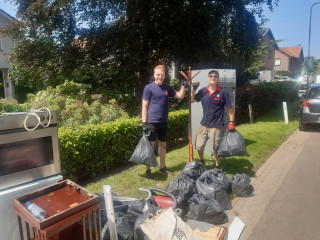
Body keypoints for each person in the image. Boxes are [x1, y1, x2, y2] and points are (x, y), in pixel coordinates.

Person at [142, 65, 187, 179]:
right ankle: (148, 170)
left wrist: (183, 85)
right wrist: (144, 122)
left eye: (162, 75)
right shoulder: (148, 88)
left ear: (164, 75)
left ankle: (162, 167)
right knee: (151, 146)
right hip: (151, 122)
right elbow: (145, 106)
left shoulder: (167, 88)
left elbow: (180, 96)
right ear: (154, 75)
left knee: (163, 145)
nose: (160, 76)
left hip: (163, 121)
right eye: (158, 74)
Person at [191, 70, 235, 169]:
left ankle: (217, 166)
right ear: (208, 78)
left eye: (215, 76)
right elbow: (192, 100)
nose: (213, 78)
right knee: (199, 145)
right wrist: (194, 89)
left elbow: (230, 109)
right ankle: (201, 161)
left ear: (217, 78)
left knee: (216, 148)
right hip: (204, 124)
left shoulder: (223, 92)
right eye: (211, 76)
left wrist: (232, 122)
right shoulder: (203, 91)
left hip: (217, 126)